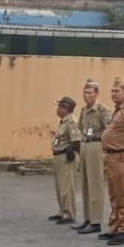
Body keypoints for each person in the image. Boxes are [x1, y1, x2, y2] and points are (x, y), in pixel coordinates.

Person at [99, 78, 124, 245]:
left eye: (117, 91)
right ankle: (114, 227)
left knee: (123, 194)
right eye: (112, 91)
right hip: (112, 156)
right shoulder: (118, 110)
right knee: (114, 194)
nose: (113, 94)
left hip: (123, 156)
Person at [75, 79, 110, 234]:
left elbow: (110, 130)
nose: (86, 95)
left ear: (96, 94)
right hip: (85, 144)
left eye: (90, 93)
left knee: (95, 184)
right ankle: (88, 218)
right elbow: (81, 128)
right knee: (85, 184)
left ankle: (96, 221)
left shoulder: (102, 111)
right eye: (85, 92)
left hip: (96, 145)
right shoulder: (83, 111)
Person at [49, 96, 82, 224]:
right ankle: (62, 210)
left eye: (59, 106)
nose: (57, 109)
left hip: (67, 157)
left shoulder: (71, 122)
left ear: (65, 108)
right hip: (59, 156)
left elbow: (77, 140)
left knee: (67, 186)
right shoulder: (63, 121)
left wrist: (71, 149)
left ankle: (69, 213)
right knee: (60, 186)